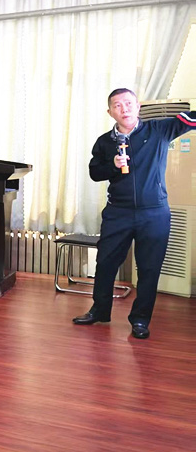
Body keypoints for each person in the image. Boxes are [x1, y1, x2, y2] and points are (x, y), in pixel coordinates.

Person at [73, 88, 196, 339]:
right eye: (117, 105)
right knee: (105, 262)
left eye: (129, 103)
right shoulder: (104, 142)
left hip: (155, 213)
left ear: (138, 106)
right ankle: (100, 310)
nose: (124, 109)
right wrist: (113, 166)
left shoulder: (159, 130)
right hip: (118, 212)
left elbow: (191, 119)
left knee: (149, 268)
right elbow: (95, 173)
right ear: (110, 112)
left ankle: (140, 320)